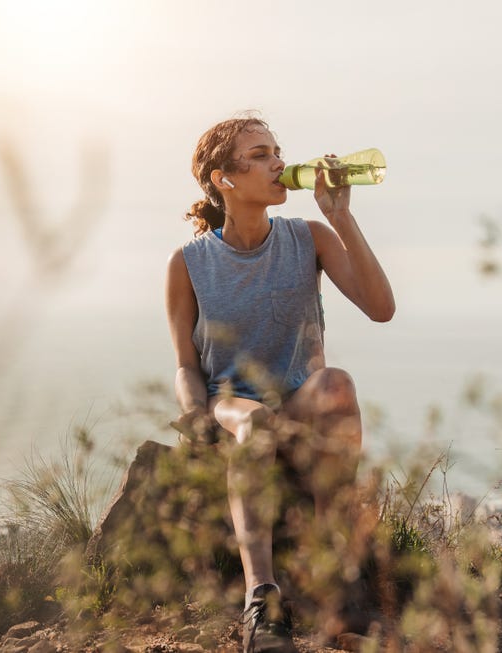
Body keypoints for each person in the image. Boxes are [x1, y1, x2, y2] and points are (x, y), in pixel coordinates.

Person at [165, 116, 395, 652]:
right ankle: (261, 601)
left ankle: (334, 575)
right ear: (224, 178)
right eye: (261, 154)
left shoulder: (307, 237)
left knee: (336, 381)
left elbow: (381, 309)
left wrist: (340, 216)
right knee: (256, 421)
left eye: (276, 152)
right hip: (232, 406)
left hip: (299, 398)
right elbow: (184, 362)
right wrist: (194, 413)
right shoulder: (190, 262)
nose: (278, 163)